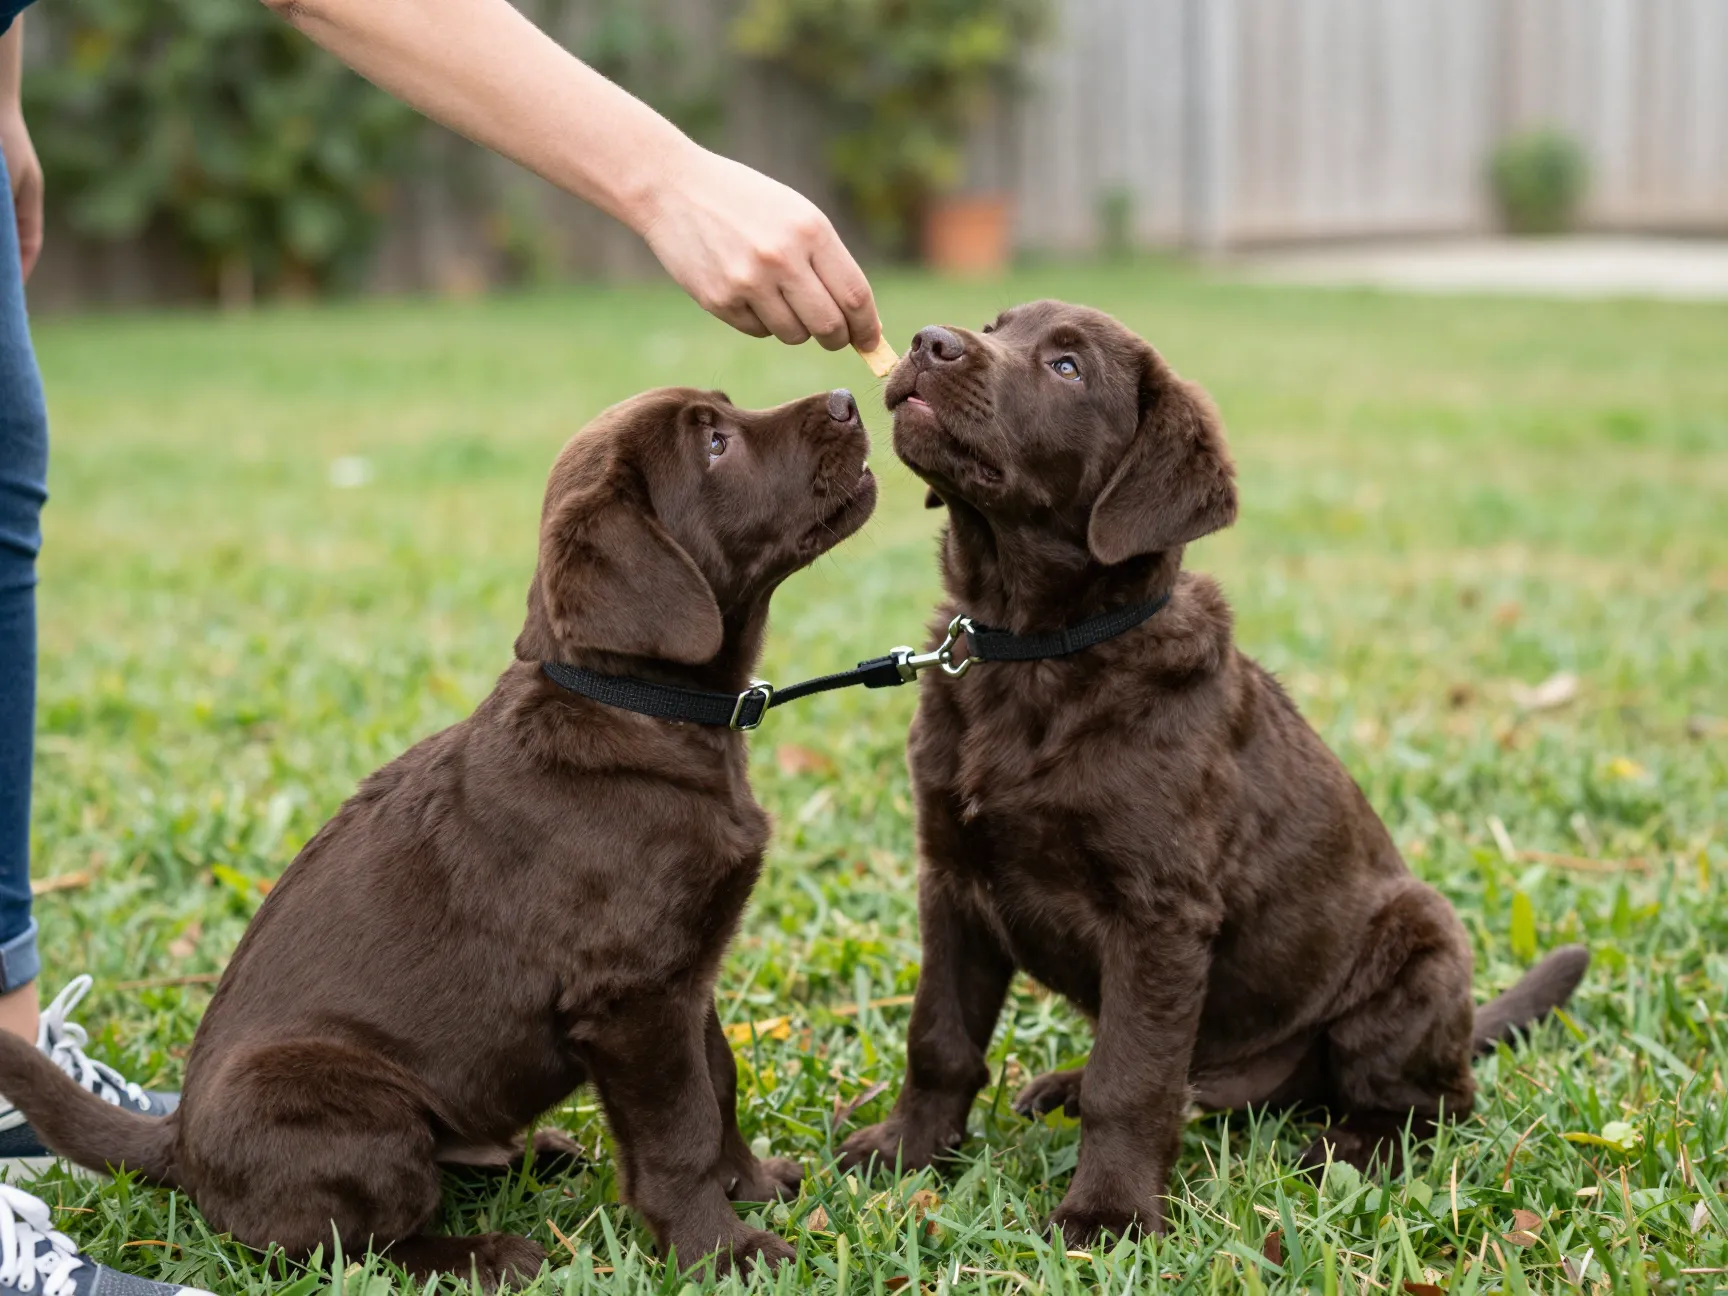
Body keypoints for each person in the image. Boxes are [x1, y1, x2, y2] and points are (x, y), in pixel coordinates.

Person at [0, 0, 883, 1288]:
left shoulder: (627, 754)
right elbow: (632, 1003)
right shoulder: (596, 783)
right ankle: (429, 1238)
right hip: (302, 1129)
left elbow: (661, 982)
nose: (780, 427)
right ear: (644, 582)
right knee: (621, 987)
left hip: (327, 1088)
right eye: (715, 440)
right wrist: (697, 1203)